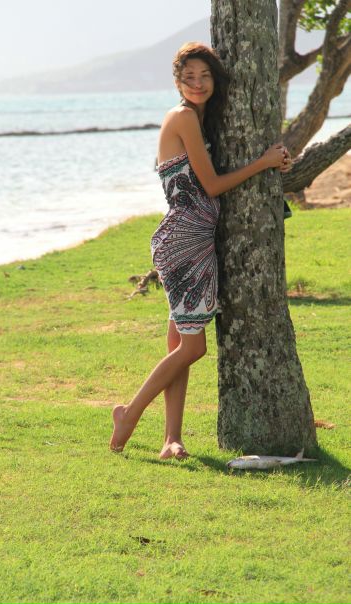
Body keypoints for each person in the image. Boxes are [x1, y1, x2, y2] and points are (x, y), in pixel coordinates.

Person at [110, 42, 292, 460]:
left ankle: (171, 439)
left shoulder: (200, 120)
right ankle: (129, 414)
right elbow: (210, 186)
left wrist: (276, 161)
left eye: (204, 75)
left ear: (215, 79)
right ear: (177, 82)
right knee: (194, 348)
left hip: (193, 240)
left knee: (180, 343)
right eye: (189, 76)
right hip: (184, 241)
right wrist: (262, 163)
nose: (197, 83)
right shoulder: (183, 117)